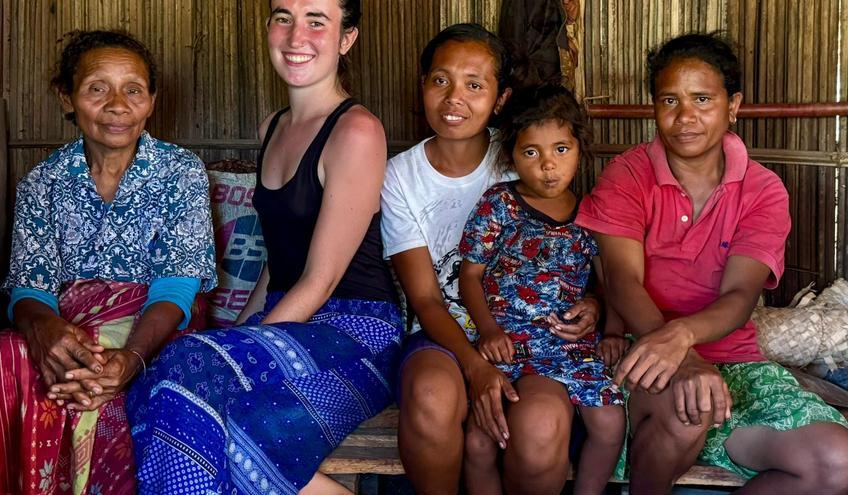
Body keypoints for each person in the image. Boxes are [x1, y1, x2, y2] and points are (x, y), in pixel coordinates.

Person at [126, 1, 399, 493]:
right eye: (283, 17)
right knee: (171, 392)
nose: (297, 35)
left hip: (354, 335)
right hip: (288, 323)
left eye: (317, 20)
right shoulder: (271, 128)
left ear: (346, 38)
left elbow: (321, 279)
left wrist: (229, 351)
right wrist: (237, 332)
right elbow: (280, 261)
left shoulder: (356, 131)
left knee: (192, 369)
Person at [575, 32, 848, 494]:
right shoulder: (628, 174)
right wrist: (679, 359)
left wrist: (682, 339)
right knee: (688, 411)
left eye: (702, 99)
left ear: (733, 104)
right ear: (654, 107)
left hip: (737, 364)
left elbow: (740, 297)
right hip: (643, 353)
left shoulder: (762, 190)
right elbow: (622, 280)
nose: (685, 117)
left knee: (837, 463)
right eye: (669, 100)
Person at [0, 30, 216, 495]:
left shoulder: (180, 172)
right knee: (4, 355)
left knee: (105, 374)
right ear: (68, 97)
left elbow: (176, 290)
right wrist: (46, 332)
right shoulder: (42, 182)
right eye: (97, 88)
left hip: (155, 325)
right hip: (67, 322)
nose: (117, 105)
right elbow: (30, 289)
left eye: (133, 90)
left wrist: (131, 359)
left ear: (152, 101)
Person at [381, 23, 566, 494]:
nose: (453, 98)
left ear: (500, 98)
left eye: (474, 85)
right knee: (431, 396)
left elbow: (569, 248)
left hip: (527, 331)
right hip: (442, 332)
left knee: (539, 423)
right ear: (422, 85)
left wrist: (595, 307)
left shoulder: (521, 159)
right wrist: (476, 366)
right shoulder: (400, 176)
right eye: (440, 80)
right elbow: (424, 298)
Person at [457, 83, 626, 495]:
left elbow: (611, 283)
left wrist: (608, 322)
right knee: (481, 442)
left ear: (578, 150)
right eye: (531, 152)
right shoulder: (500, 204)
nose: (548, 165)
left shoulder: (590, 215)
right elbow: (470, 276)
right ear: (511, 155)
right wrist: (489, 330)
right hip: (509, 344)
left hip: (570, 345)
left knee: (610, 422)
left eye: (561, 150)